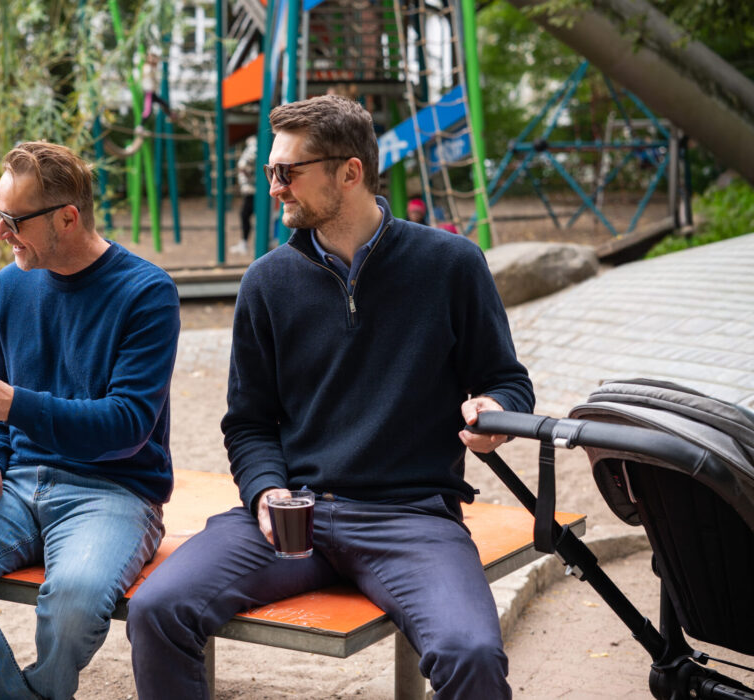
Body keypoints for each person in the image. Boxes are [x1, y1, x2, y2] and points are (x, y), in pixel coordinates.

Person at [127, 95, 533, 699]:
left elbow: (506, 379)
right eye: (271, 171)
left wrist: (495, 415)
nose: (274, 188)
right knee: (157, 610)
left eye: (287, 172)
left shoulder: (451, 264)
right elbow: (248, 423)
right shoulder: (266, 283)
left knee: (469, 653)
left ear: (350, 171)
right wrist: (265, 492)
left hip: (412, 518)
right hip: (294, 513)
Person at [0, 141, 181, 700]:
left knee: (72, 603)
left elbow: (127, 425)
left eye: (13, 221)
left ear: (67, 218)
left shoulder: (147, 293)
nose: (2, 234)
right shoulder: (12, 285)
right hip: (18, 487)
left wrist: (15, 405)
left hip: (116, 491)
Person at [230, 135, 258, 256]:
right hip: (250, 189)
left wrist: (248, 176)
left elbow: (244, 164)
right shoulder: (253, 146)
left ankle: (244, 243)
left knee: (245, 215)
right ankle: (244, 242)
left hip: (252, 190)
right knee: (245, 215)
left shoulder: (254, 146)